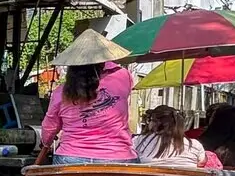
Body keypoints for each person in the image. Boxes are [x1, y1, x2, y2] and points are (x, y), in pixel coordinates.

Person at [35, 29, 136, 165]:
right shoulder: (124, 77)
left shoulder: (61, 92)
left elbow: (50, 127)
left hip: (70, 157)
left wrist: (45, 143)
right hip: (119, 157)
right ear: (104, 61)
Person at [133, 105, 209, 168]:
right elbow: (201, 163)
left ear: (155, 122)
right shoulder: (194, 145)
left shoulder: (139, 141)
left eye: (150, 120)